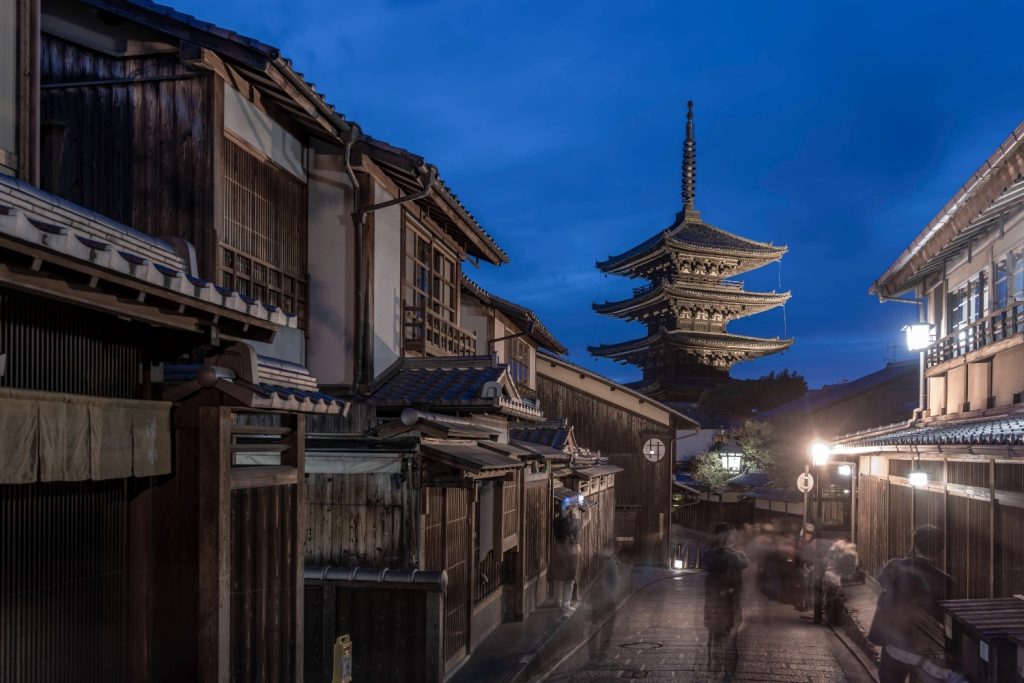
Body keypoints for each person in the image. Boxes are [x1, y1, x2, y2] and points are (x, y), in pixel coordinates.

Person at [868, 525, 958, 683]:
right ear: (940, 550)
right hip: (925, 647)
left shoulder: (895, 567)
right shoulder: (945, 580)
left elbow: (882, 580)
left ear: (915, 545)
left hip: (895, 641)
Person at [703, 522, 750, 680]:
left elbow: (744, 562)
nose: (733, 538)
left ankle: (721, 671)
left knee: (723, 640)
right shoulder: (718, 555)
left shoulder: (716, 554)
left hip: (727, 606)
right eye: (730, 535)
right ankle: (722, 672)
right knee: (724, 640)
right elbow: (743, 561)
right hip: (720, 606)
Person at [550, 496, 581, 613]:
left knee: (559, 578)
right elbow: (575, 533)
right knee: (569, 579)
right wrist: (575, 515)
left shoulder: (556, 521)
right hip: (570, 552)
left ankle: (558, 601)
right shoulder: (571, 521)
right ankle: (565, 604)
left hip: (558, 551)